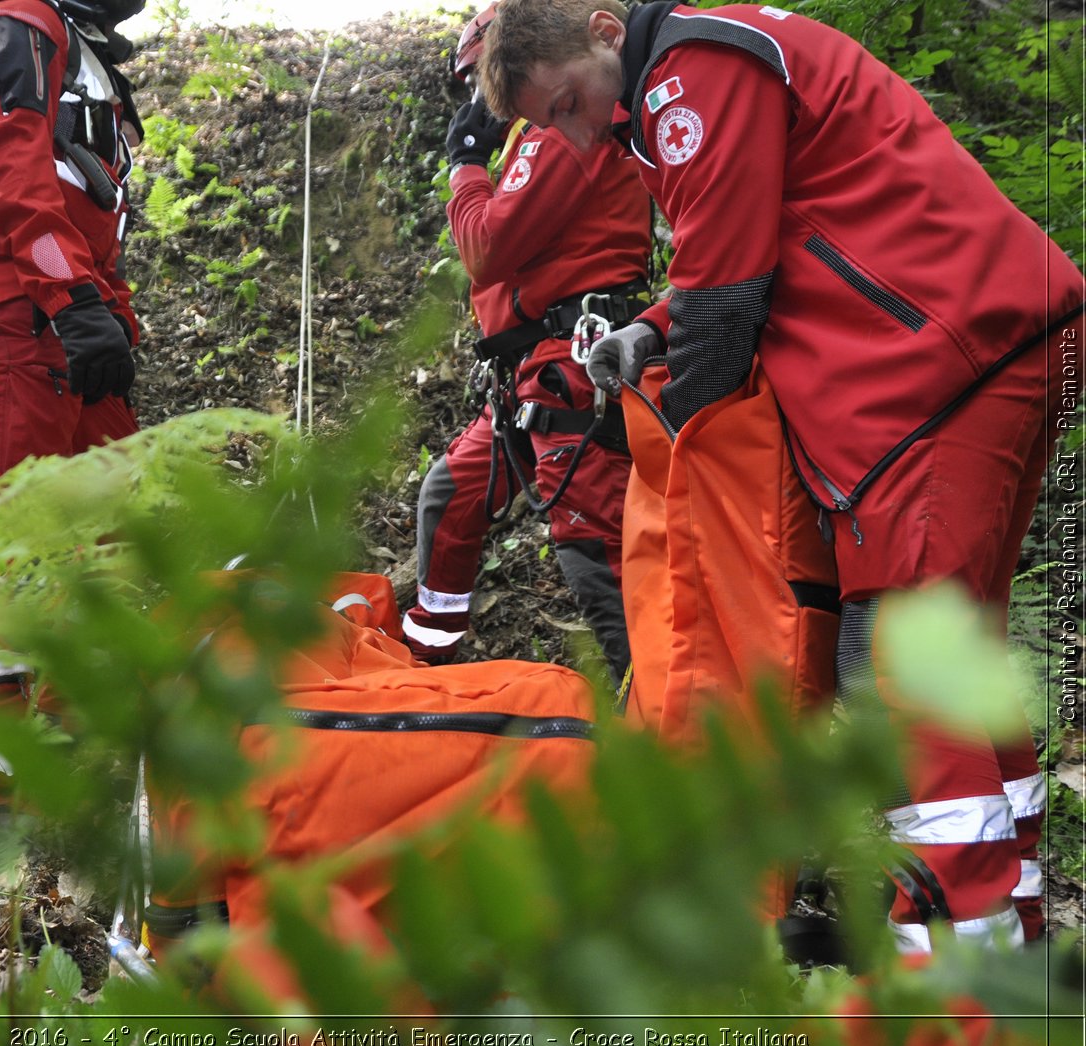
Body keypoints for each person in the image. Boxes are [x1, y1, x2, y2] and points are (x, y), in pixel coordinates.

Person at [479, 0, 1084, 951]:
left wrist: (674, 438)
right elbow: (755, 243)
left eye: (565, 106)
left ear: (604, 32)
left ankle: (962, 981)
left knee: (895, 666)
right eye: (548, 124)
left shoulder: (688, 74)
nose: (574, 135)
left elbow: (730, 298)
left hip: (930, 372)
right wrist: (653, 330)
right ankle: (1014, 926)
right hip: (974, 345)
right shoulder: (701, 71)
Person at [0, 0, 147, 803]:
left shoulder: (78, 44)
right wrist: (72, 299)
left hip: (71, 303)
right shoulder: (8, 16)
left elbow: (91, 203)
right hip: (16, 294)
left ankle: (73, 729)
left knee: (106, 525)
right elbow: (10, 161)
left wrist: (101, 307)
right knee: (9, 525)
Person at [402, 1, 652, 681]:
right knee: (450, 495)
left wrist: (464, 166)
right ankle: (426, 665)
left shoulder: (557, 136)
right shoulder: (542, 138)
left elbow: (487, 247)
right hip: (531, 371)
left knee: (595, 545)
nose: (480, 106)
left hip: (571, 363)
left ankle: (666, 726)